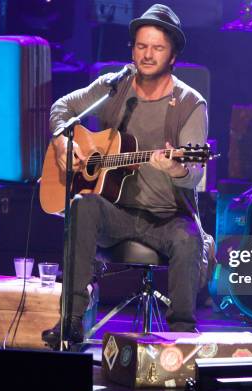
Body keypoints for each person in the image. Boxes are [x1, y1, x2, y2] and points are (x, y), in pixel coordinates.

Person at [42, 3, 208, 346]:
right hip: (116, 213)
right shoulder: (113, 88)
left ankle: (181, 335)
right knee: (81, 204)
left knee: (189, 237)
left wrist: (175, 167)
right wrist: (61, 140)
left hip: (167, 217)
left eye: (157, 48)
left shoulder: (191, 104)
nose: (147, 55)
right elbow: (62, 107)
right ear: (132, 49)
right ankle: (71, 320)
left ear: (173, 55)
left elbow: (193, 174)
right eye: (141, 46)